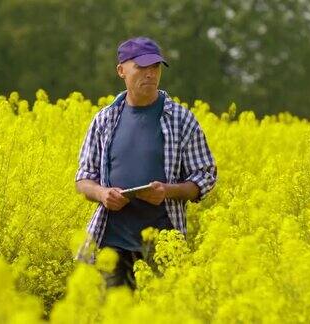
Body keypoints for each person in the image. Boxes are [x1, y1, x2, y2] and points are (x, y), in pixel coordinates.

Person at [74, 36, 217, 289]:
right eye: (141, 67)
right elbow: (84, 178)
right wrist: (102, 193)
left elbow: (204, 176)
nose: (150, 74)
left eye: (155, 67)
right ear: (121, 70)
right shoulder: (104, 120)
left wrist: (168, 191)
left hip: (164, 245)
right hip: (113, 242)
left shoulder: (181, 119)